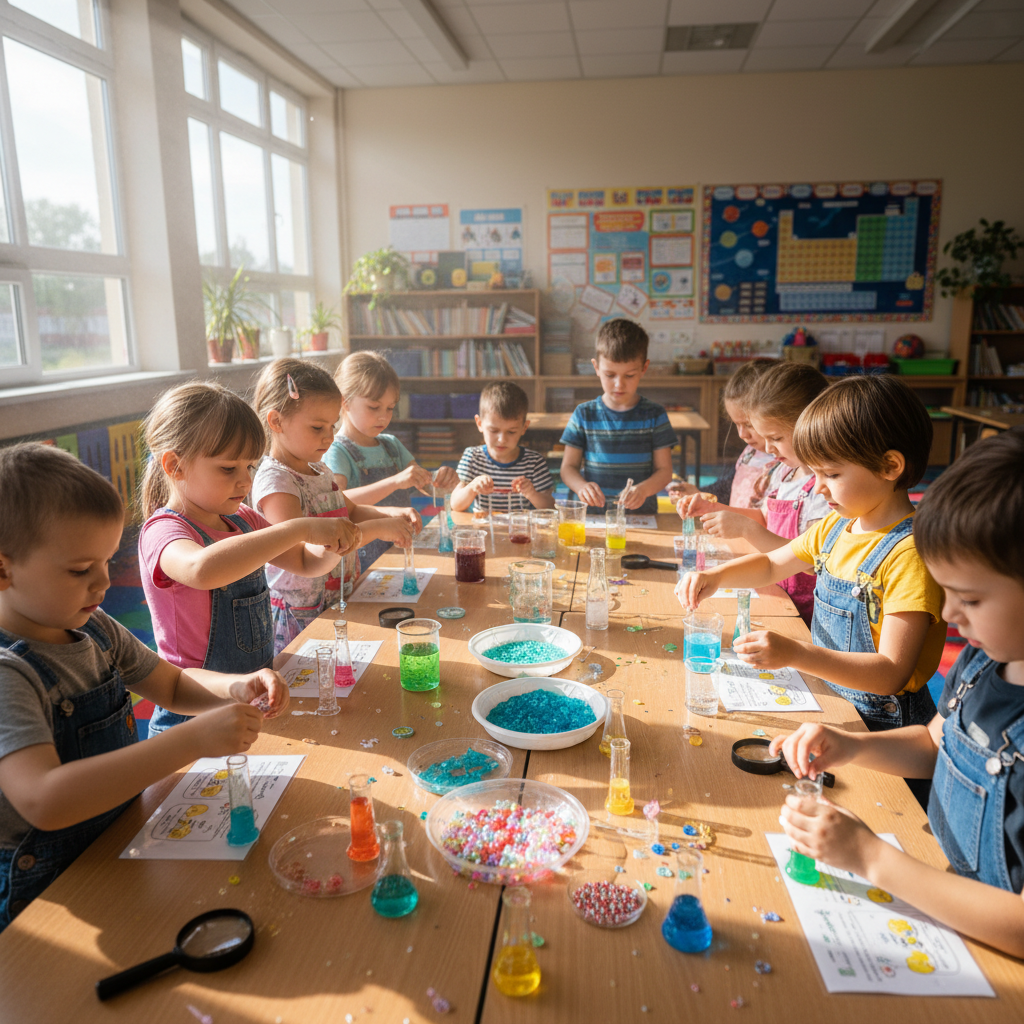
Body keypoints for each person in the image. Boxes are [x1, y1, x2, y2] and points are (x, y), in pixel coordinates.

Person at [0, 444, 288, 930]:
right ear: (3, 568)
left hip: (117, 840)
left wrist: (235, 687)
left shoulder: (95, 627)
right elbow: (44, 800)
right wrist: (192, 740)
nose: (103, 583)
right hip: (46, 893)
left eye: (107, 562)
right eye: (79, 569)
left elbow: (173, 685)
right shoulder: (9, 673)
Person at [773, 431, 1024, 957]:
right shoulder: (986, 660)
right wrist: (852, 745)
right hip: (942, 893)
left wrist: (871, 858)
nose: (950, 616)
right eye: (946, 592)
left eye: (971, 599)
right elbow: (936, 745)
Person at [677, 375, 945, 739]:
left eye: (831, 473)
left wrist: (798, 654)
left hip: (881, 725)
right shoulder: (837, 525)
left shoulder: (909, 554)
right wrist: (717, 577)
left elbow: (890, 673)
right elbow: (773, 563)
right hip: (830, 696)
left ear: (890, 466)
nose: (818, 487)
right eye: (815, 472)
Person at [138, 381, 360, 733]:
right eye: (229, 469)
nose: (245, 481)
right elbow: (202, 569)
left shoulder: (243, 520)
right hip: (193, 717)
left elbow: (305, 562)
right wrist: (299, 528)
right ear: (175, 466)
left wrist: (334, 546)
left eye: (250, 467)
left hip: (255, 697)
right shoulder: (164, 531)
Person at [250, 359, 418, 653]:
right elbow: (303, 559)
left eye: (332, 426)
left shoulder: (319, 469)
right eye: (317, 427)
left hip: (339, 599)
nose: (329, 437)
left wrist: (392, 514)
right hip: (300, 616)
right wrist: (379, 527)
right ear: (276, 421)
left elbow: (349, 511)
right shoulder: (276, 483)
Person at [678, 362, 831, 624]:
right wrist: (715, 509)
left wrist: (748, 530)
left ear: (810, 424)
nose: (768, 449)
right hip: (773, 591)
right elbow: (764, 517)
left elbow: (811, 563)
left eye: (776, 438)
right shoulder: (786, 470)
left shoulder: (826, 490)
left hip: (803, 614)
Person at [324, 351, 458, 572]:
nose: (384, 417)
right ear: (345, 402)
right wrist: (395, 482)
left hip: (401, 549)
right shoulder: (336, 450)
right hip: (361, 561)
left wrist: (441, 480)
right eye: (374, 407)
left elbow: (425, 485)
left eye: (390, 408)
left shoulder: (392, 445)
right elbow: (338, 504)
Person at [559, 319, 675, 514]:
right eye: (610, 375)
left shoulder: (655, 414)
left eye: (629, 376)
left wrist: (643, 489)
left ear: (644, 368)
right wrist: (581, 487)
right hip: (593, 516)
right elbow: (568, 468)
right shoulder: (584, 414)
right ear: (596, 367)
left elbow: (664, 472)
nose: (619, 385)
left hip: (641, 515)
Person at [668, 358, 779, 507]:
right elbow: (729, 487)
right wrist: (699, 494)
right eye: (736, 424)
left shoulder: (787, 463)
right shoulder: (751, 452)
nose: (742, 434)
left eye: (749, 425)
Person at [451, 381, 555, 514]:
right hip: (484, 531)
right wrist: (472, 487)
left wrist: (532, 493)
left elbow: (550, 507)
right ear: (480, 423)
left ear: (524, 428)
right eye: (494, 431)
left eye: (511, 432)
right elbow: (455, 505)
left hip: (519, 531)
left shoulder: (534, 462)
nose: (502, 440)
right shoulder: (472, 457)